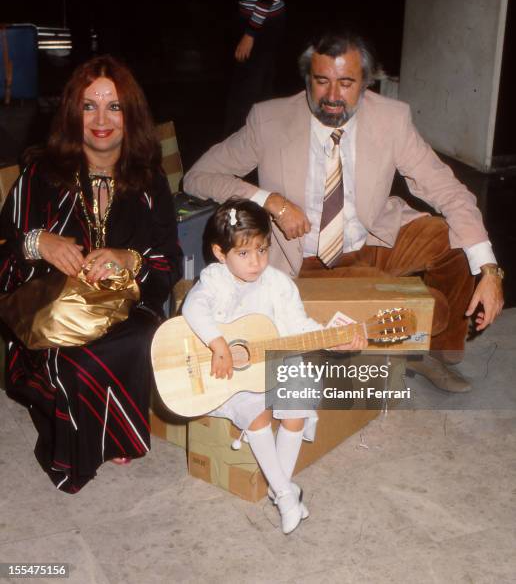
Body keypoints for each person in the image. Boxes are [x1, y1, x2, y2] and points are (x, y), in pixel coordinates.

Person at [183, 30, 504, 394]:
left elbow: (448, 190)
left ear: (366, 83)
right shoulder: (269, 121)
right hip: (300, 260)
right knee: (329, 336)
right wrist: (269, 200)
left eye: (347, 83)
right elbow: (198, 177)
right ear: (307, 79)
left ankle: (435, 352)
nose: (333, 96)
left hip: (371, 241)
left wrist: (490, 270)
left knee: (458, 240)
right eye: (322, 81)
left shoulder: (392, 119)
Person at [0, 55, 181, 493]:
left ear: (130, 115)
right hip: (51, 316)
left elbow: (169, 261)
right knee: (74, 362)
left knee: (139, 338)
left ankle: (111, 428)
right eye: (89, 106)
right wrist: (37, 242)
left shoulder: (148, 181)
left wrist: (127, 258)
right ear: (72, 113)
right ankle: (80, 450)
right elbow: (3, 254)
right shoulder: (42, 174)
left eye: (114, 107)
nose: (101, 119)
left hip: (125, 309)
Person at [182, 199, 366, 534]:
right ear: (221, 254)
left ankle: (279, 487)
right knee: (257, 413)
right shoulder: (214, 280)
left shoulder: (278, 284)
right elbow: (193, 309)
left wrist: (331, 338)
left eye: (263, 250)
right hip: (231, 376)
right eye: (244, 254)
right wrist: (217, 341)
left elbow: (299, 326)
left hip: (276, 360)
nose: (256, 262)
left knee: (298, 398)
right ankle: (285, 493)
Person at [224, 0, 289, 136]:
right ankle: (261, 136)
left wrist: (250, 34)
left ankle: (239, 139)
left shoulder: (255, 30)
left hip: (261, 25)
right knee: (260, 85)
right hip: (262, 22)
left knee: (247, 88)